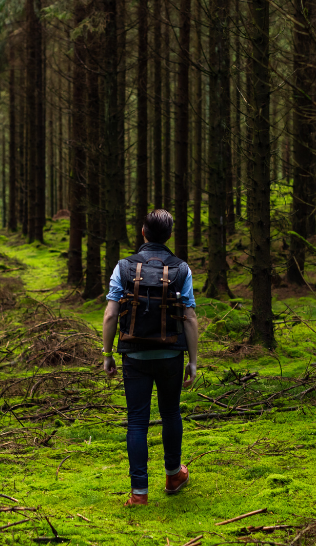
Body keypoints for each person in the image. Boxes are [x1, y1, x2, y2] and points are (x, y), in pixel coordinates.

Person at [101, 209, 199, 507]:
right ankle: (173, 476)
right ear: (169, 235)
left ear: (143, 232)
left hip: (134, 355)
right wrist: (193, 361)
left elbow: (110, 315)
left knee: (137, 422)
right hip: (171, 354)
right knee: (170, 413)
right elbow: (190, 318)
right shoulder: (181, 269)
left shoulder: (123, 267)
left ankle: (139, 493)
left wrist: (107, 354)